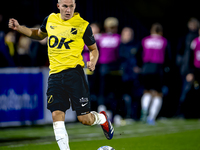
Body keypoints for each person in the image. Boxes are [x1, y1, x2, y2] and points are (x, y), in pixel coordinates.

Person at [8, 0, 114, 150]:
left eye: (71, 6)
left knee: (84, 119)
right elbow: (38, 34)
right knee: (56, 115)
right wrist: (19, 28)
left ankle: (102, 118)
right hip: (55, 76)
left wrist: (93, 62)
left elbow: (94, 49)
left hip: (75, 74)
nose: (68, 9)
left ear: (75, 6)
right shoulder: (50, 19)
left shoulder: (83, 25)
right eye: (65, 6)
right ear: (58, 6)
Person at [140, 23, 171, 125]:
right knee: (158, 94)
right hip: (158, 69)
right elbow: (168, 57)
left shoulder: (145, 40)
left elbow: (139, 54)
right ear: (161, 32)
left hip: (146, 68)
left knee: (147, 92)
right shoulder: (163, 41)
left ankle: (144, 110)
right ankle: (151, 117)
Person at [96, 17, 121, 114]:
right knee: (113, 92)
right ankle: (111, 113)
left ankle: (101, 112)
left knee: (102, 91)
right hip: (114, 68)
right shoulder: (118, 38)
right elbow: (119, 54)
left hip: (102, 67)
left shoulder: (100, 38)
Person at [175, 18, 199, 117]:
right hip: (189, 69)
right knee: (185, 90)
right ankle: (182, 113)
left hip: (194, 69)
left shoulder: (196, 39)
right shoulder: (188, 39)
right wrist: (189, 70)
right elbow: (186, 56)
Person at [119, 27, 142, 120]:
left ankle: (133, 116)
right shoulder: (118, 46)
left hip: (133, 76)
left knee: (134, 96)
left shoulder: (136, 45)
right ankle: (122, 115)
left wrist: (139, 68)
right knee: (122, 96)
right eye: (126, 34)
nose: (129, 36)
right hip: (121, 75)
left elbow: (140, 58)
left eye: (130, 34)